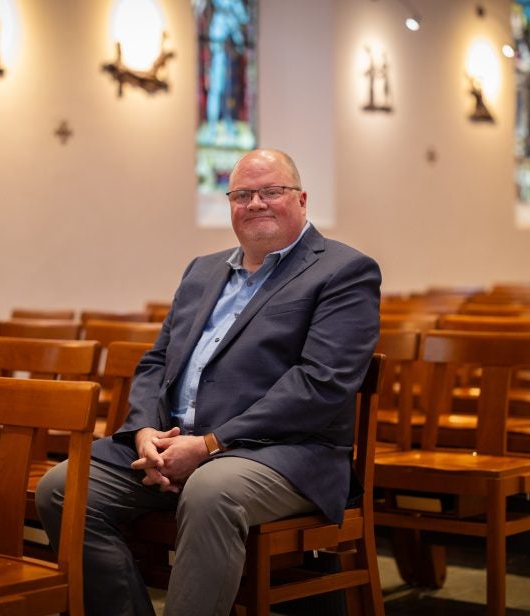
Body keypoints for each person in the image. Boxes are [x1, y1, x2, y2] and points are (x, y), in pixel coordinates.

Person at [36, 148, 381, 616]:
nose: (256, 203)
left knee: (210, 491)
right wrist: (144, 433)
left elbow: (320, 383)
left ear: (301, 199)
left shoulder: (343, 270)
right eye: (242, 194)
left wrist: (209, 446)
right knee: (62, 487)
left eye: (271, 191)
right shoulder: (202, 270)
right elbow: (156, 362)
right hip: (178, 445)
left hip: (284, 454)